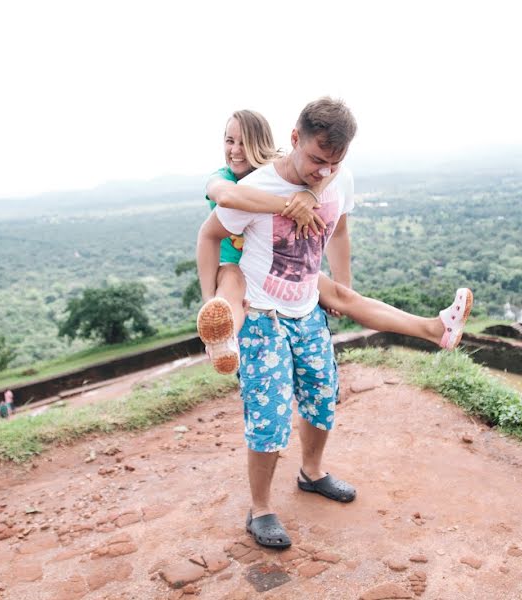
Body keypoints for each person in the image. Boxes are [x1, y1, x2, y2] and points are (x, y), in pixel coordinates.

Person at [196, 98, 472, 549]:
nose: (324, 172)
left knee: (323, 397)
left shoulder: (339, 180)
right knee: (269, 417)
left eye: (334, 162)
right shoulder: (260, 187)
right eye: (316, 160)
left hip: (307, 310)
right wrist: (212, 297)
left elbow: (338, 229)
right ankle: (261, 508)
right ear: (294, 140)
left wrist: (342, 284)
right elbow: (209, 235)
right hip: (263, 318)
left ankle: (312, 472)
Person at [196, 109, 473, 376]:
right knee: (230, 286)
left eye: (245, 143)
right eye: (229, 141)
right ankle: (222, 342)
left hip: (282, 270)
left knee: (345, 296)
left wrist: (312, 194)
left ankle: (436, 329)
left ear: (261, 143)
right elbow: (228, 198)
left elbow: (332, 168)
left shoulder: (288, 169)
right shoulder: (224, 178)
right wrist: (292, 206)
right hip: (236, 266)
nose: (235, 150)